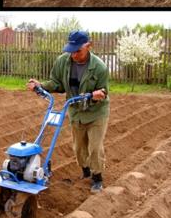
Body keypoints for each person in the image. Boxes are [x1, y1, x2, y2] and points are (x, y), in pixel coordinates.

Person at [26, 30, 109, 193]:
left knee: (94, 147)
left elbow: (104, 91)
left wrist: (99, 94)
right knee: (78, 148)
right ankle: (85, 172)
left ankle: (97, 178)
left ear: (88, 46)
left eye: (78, 51)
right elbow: (57, 84)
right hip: (75, 111)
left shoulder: (99, 67)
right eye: (71, 51)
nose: (74, 55)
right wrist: (40, 86)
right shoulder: (62, 62)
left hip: (96, 113)